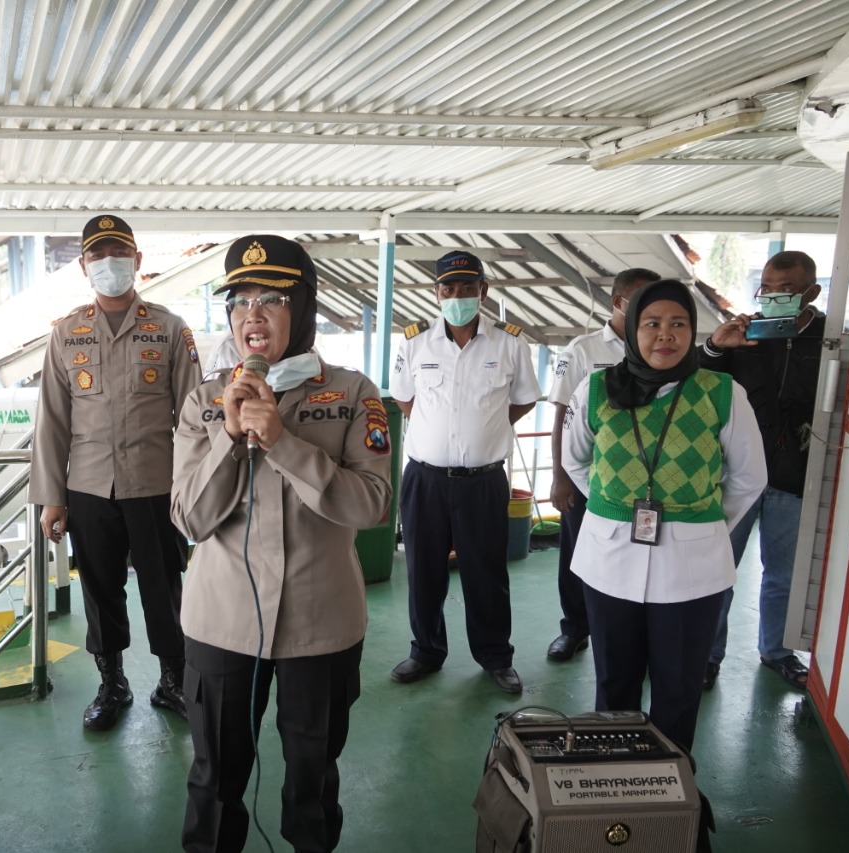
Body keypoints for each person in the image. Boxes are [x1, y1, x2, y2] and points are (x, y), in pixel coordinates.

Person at [172, 234, 391, 852]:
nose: (253, 315)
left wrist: (284, 444)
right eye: (241, 300)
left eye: (272, 299)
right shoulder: (203, 402)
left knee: (312, 783)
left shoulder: (352, 394)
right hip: (222, 625)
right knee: (215, 784)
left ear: (305, 307)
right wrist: (230, 435)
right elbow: (189, 518)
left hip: (320, 625)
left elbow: (373, 504)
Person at [561, 279, 765, 750]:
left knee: (678, 689)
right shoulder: (595, 389)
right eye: (651, 324)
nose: (665, 335)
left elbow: (748, 477)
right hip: (608, 563)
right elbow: (574, 458)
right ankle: (615, 782)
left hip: (691, 570)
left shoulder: (722, 392)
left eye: (678, 324)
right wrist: (611, 505)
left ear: (693, 331)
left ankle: (671, 795)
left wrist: (704, 525)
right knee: (614, 685)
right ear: (632, 329)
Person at [29, 214, 201, 731]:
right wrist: (51, 498)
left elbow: (193, 418)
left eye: (118, 254)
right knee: (100, 590)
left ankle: (173, 679)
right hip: (87, 486)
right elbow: (52, 422)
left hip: (156, 485)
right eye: (98, 256)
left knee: (163, 585)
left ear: (138, 262)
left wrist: (193, 491)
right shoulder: (66, 333)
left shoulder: (170, 329)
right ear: (83, 265)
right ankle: (113, 683)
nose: (109, 265)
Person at [389, 250, 540, 694]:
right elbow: (403, 398)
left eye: (467, 288)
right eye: (448, 289)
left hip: (484, 481)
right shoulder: (415, 343)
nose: (457, 297)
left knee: (486, 572)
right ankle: (426, 652)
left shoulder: (509, 343)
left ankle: (495, 656)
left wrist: (486, 427)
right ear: (437, 293)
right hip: (425, 479)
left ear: (483, 291)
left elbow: (524, 399)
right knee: (423, 569)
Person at [701, 250, 825, 690]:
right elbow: (698, 381)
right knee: (720, 570)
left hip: (795, 477)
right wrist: (717, 346)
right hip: (737, 475)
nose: (773, 296)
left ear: (811, 292)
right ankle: (708, 655)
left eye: (786, 289)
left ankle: (777, 651)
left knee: (783, 573)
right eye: (767, 287)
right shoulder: (746, 333)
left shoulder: (831, 342)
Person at [546, 268, 662, 662]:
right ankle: (575, 630)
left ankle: (639, 636)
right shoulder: (583, 349)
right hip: (588, 477)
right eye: (643, 301)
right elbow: (561, 415)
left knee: (641, 556)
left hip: (648, 482)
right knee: (579, 554)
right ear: (619, 303)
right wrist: (560, 476)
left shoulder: (662, 348)